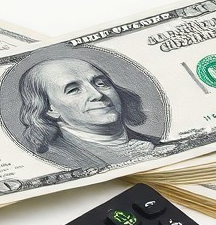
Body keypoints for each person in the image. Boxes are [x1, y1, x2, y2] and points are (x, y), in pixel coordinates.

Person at [18, 57, 173, 167]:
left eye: (101, 83)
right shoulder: (56, 158)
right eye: (73, 90)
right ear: (50, 109)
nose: (97, 94)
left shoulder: (156, 142)